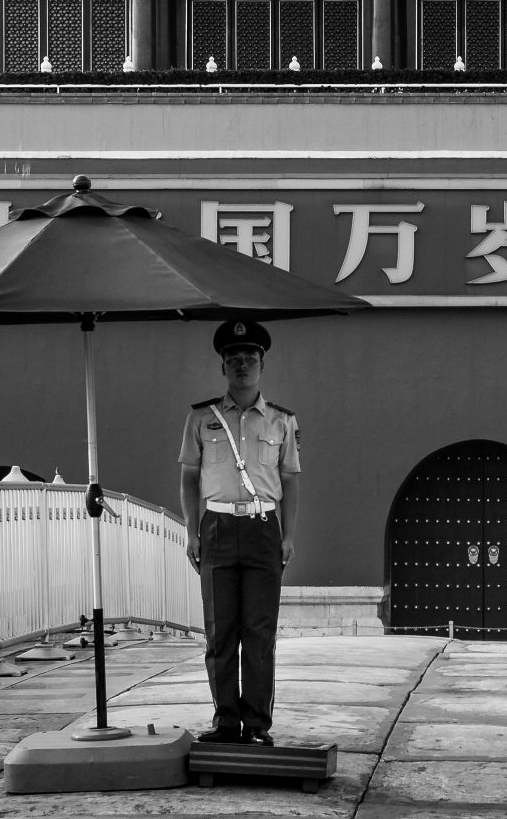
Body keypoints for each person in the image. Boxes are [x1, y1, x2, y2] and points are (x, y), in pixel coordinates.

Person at [177, 319, 300, 745]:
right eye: (233, 359)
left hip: (264, 528)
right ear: (223, 367)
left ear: (262, 365)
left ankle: (258, 725)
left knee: (260, 634)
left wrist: (288, 535)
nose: (242, 365)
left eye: (249, 358)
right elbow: (189, 478)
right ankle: (226, 722)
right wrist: (192, 532)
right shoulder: (201, 418)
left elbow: (291, 480)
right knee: (220, 632)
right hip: (217, 526)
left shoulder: (282, 421)